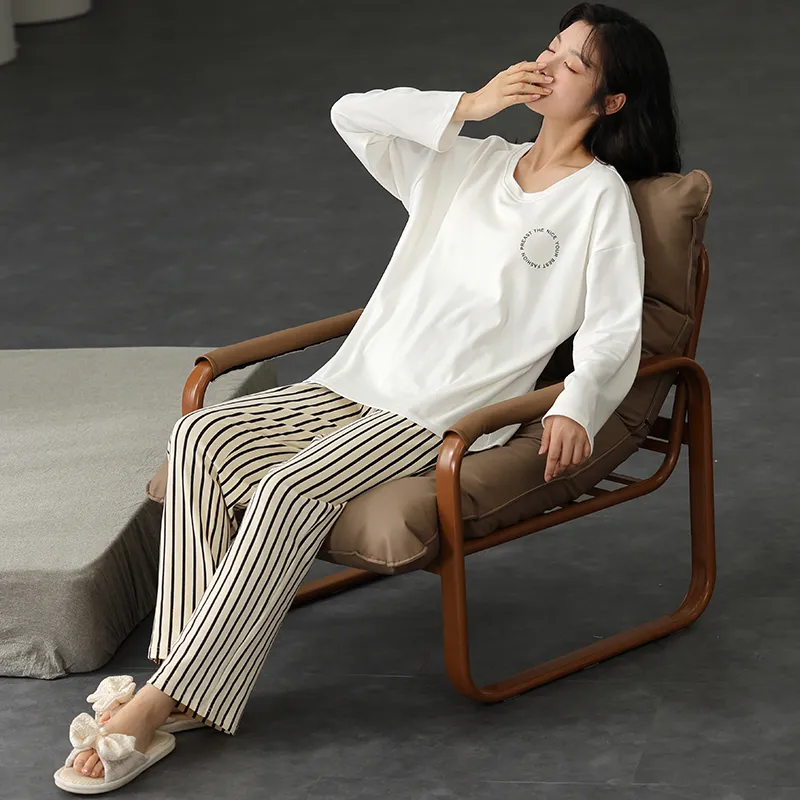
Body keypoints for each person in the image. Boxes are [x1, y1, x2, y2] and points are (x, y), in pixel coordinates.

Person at [56, 2, 681, 792]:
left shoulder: (598, 199)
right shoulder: (467, 161)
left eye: (574, 63)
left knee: (287, 489)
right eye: (549, 48)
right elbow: (351, 113)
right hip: (354, 379)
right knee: (198, 438)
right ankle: (183, 690)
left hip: (437, 410)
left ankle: (154, 703)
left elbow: (615, 328)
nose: (546, 65)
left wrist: (575, 403)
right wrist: (470, 106)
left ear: (611, 100)